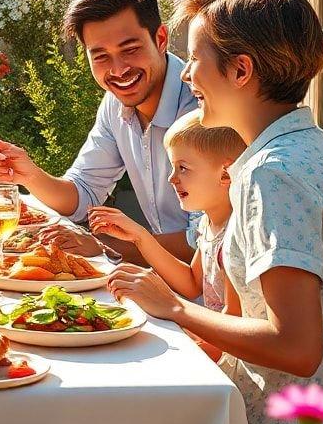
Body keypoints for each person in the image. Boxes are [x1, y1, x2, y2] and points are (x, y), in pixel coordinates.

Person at [108, 0, 323, 424]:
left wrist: (176, 309)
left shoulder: (271, 175)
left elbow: (296, 346)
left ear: (241, 71)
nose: (185, 75)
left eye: (196, 60)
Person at [0, 0, 198, 263]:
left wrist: (101, 246)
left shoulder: (200, 108)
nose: (119, 70)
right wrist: (29, 175)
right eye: (100, 56)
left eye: (130, 49)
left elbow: (203, 240)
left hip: (212, 294)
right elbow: (84, 192)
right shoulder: (115, 104)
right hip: (164, 280)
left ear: (161, 39)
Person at [89, 110, 244, 313]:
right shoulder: (209, 224)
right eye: (173, 167)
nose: (172, 178)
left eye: (183, 168)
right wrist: (140, 237)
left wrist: (181, 327)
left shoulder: (235, 235)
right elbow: (191, 283)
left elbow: (234, 323)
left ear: (225, 173)